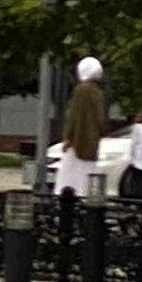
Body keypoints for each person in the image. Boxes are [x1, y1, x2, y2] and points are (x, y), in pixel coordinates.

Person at [54, 55, 109, 203]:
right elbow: (100, 118)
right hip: (92, 141)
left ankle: (68, 201)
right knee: (87, 173)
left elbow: (74, 116)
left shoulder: (81, 90)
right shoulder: (98, 92)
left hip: (77, 141)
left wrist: (68, 136)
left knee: (70, 175)